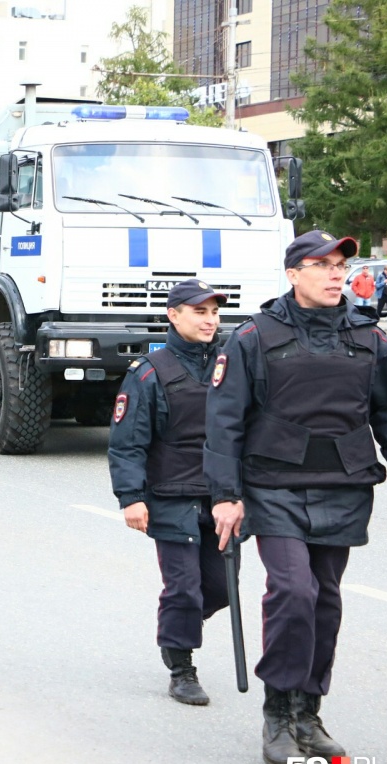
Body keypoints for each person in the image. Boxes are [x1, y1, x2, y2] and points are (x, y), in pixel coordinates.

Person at [204, 230, 387, 764]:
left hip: (342, 485)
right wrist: (225, 495)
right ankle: (277, 713)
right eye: (321, 265)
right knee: (294, 590)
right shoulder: (253, 338)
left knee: (325, 601)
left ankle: (308, 712)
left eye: (340, 264)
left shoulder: (371, 339)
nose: (334, 273)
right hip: (272, 485)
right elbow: (224, 423)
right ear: (294, 274)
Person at [108, 279, 232, 706]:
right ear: (173, 315)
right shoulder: (149, 372)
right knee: (184, 587)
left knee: (220, 589)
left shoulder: (229, 364)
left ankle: (174, 631)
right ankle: (182, 667)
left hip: (219, 498)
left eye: (214, 312)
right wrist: (131, 497)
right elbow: (127, 442)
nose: (210, 319)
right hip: (170, 496)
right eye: (200, 311)